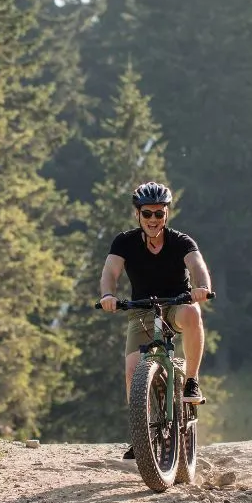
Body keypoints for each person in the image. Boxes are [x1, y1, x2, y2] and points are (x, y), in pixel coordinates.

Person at [99, 181, 213, 459]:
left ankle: (192, 380)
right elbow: (110, 272)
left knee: (193, 313)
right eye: (147, 213)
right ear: (137, 214)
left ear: (167, 214)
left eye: (159, 214)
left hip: (176, 305)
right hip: (142, 311)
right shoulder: (123, 242)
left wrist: (202, 287)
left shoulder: (181, 241)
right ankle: (143, 434)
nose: (153, 219)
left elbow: (198, 267)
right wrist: (107, 295)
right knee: (132, 371)